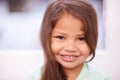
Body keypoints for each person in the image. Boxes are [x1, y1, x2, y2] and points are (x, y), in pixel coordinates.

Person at [28, 0, 109, 80]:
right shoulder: (36, 77)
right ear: (47, 37)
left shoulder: (100, 78)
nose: (70, 48)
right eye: (60, 37)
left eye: (81, 38)